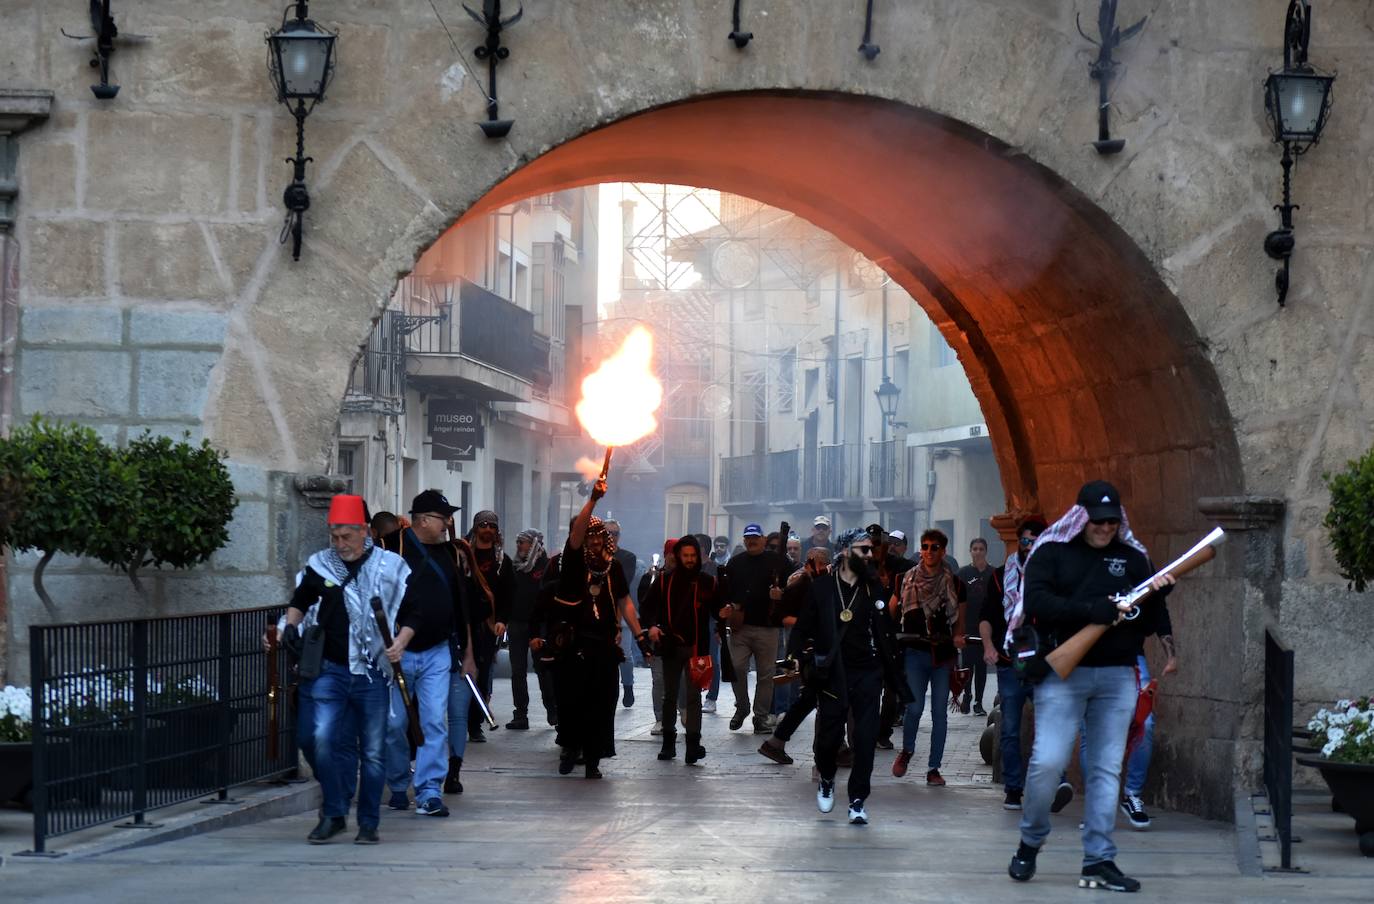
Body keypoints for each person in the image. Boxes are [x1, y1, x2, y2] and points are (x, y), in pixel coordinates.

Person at [1007, 480, 1174, 893]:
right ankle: (1030, 840)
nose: (1104, 529)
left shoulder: (1133, 557)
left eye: (1112, 521)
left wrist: (1158, 594)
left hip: (1118, 674)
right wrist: (1092, 610)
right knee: (1047, 763)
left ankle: (1099, 858)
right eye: (1097, 521)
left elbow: (1149, 621)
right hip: (1063, 674)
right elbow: (1038, 602)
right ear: (1081, 517)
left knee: (1104, 769)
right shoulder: (1052, 550)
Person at [282, 494, 413, 844]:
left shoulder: (391, 566)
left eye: (347, 537)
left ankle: (368, 823)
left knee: (371, 751)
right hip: (330, 669)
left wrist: (401, 640)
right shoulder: (321, 565)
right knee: (317, 739)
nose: (340, 545)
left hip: (372, 672)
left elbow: (414, 609)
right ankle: (336, 811)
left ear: (365, 532)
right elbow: (301, 599)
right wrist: (291, 627)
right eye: (335, 537)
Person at [792, 528, 906, 824]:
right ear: (844, 552)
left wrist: (891, 665)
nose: (870, 555)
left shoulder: (873, 588)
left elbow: (885, 632)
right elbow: (803, 627)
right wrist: (796, 656)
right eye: (863, 550)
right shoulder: (822, 588)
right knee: (828, 739)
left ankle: (857, 800)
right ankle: (827, 777)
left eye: (870, 550)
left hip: (868, 672)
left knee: (865, 739)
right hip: (833, 673)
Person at [376, 490, 478, 815]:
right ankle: (396, 783)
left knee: (435, 721)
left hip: (438, 650)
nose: (448, 522)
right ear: (422, 520)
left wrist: (469, 653)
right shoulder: (389, 547)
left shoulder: (450, 552)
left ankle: (429, 790)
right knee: (394, 725)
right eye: (442, 516)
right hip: (398, 651)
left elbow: (463, 606)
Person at [549, 476, 649, 778]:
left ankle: (593, 759)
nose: (594, 541)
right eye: (589, 536)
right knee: (572, 701)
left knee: (603, 702)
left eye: (598, 536)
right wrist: (592, 499)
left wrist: (640, 635)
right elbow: (577, 533)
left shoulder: (613, 566)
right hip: (574, 643)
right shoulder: (574, 561)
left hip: (604, 646)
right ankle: (570, 747)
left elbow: (625, 602)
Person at [890, 528, 965, 787]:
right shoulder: (904, 579)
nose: (929, 551)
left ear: (943, 551)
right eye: (925, 546)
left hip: (942, 656)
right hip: (914, 653)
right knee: (914, 708)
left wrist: (958, 637)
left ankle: (934, 768)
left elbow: (960, 622)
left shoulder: (954, 583)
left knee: (939, 715)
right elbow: (891, 611)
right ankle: (907, 750)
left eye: (934, 547)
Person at [979, 518, 1046, 810]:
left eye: (1034, 542)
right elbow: (986, 616)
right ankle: (1013, 788)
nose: (1028, 547)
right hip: (1009, 662)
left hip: (1041, 663)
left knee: (1049, 726)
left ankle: (1046, 783)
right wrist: (989, 646)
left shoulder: (1050, 575)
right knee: (1009, 729)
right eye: (1025, 541)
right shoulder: (1000, 576)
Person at [641, 535, 717, 764]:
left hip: (697, 647)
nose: (690, 560)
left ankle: (693, 744)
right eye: (686, 556)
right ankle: (668, 743)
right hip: (671, 645)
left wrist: (724, 616)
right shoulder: (664, 580)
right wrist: (653, 626)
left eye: (693, 556)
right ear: (678, 556)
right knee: (670, 696)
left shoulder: (707, 582)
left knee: (693, 697)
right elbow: (647, 607)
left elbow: (717, 608)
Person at [758, 545, 831, 765]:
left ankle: (776, 742)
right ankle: (832, 748)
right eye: (812, 562)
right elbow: (782, 617)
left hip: (824, 649)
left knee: (813, 699)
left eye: (819, 563)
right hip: (807, 650)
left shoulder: (828, 585)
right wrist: (807, 626)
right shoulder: (798, 585)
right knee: (817, 698)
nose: (815, 567)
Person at [721, 523, 789, 733]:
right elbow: (725, 593)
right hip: (741, 627)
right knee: (736, 668)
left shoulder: (779, 561)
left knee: (765, 675)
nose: (751, 541)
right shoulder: (734, 563)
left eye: (755, 537)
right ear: (744, 540)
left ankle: (760, 717)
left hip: (768, 628)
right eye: (748, 537)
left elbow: (794, 588)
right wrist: (731, 606)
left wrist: (782, 594)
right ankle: (742, 707)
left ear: (763, 539)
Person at [465, 510, 514, 743]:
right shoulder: (462, 554)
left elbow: (507, 595)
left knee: (482, 676)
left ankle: (475, 724)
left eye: (492, 526)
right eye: (483, 525)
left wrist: (502, 620)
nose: (487, 529)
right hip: (463, 623)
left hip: (488, 626)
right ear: (476, 527)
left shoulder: (503, 561)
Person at [507, 528, 555, 731]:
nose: (519, 546)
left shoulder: (546, 566)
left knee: (543, 669)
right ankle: (520, 714)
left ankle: (553, 710)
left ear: (535, 543)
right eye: (518, 542)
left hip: (539, 626)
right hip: (517, 624)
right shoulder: (514, 567)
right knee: (517, 671)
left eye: (524, 542)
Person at [639, 538, 677, 735]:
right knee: (659, 678)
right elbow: (644, 606)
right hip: (658, 636)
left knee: (683, 679)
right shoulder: (652, 578)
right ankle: (660, 718)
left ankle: (683, 711)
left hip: (679, 636)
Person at [604, 518, 641, 708]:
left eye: (615, 533)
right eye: (608, 533)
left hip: (620, 609)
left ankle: (627, 686)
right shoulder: (592, 556)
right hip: (599, 611)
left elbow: (622, 586)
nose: (611, 536)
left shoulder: (627, 557)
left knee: (624, 654)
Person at [957, 537, 996, 715]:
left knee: (982, 666)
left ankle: (979, 701)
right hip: (968, 626)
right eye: (975, 549)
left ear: (985, 551)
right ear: (970, 551)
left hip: (986, 626)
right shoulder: (963, 573)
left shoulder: (993, 573)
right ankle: (967, 695)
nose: (978, 552)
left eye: (981, 549)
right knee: (967, 664)